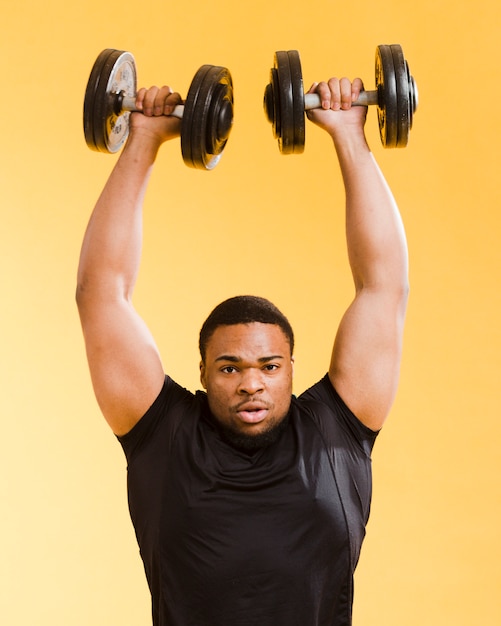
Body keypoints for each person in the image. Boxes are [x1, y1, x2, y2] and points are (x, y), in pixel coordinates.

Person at [76, 75, 409, 626]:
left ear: (290, 372)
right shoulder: (165, 439)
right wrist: (144, 138)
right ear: (203, 373)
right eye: (229, 367)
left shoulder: (336, 431)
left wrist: (350, 133)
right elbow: (100, 296)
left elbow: (385, 285)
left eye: (269, 366)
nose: (251, 382)